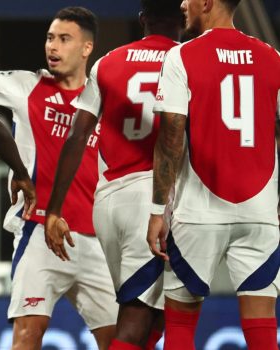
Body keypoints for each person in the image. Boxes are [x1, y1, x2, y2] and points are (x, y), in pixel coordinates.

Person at [44, 1, 183, 349]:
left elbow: (77, 136)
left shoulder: (108, 62)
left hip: (106, 203)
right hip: (153, 202)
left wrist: (54, 209)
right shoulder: (188, 60)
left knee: (154, 313)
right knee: (137, 315)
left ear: (141, 20)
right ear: (183, 17)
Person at [147, 0, 280, 349]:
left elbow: (171, 135)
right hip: (260, 211)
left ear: (206, 2)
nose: (182, 4)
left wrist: (157, 209)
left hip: (198, 211)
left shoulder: (182, 56)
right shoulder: (272, 56)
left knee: (179, 325)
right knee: (263, 325)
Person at [0, 7, 118, 350]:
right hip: (39, 233)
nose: (52, 47)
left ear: (86, 48)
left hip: (93, 240)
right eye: (49, 38)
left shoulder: (104, 98)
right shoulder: (27, 86)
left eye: (63, 39)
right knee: (27, 336)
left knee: (119, 340)